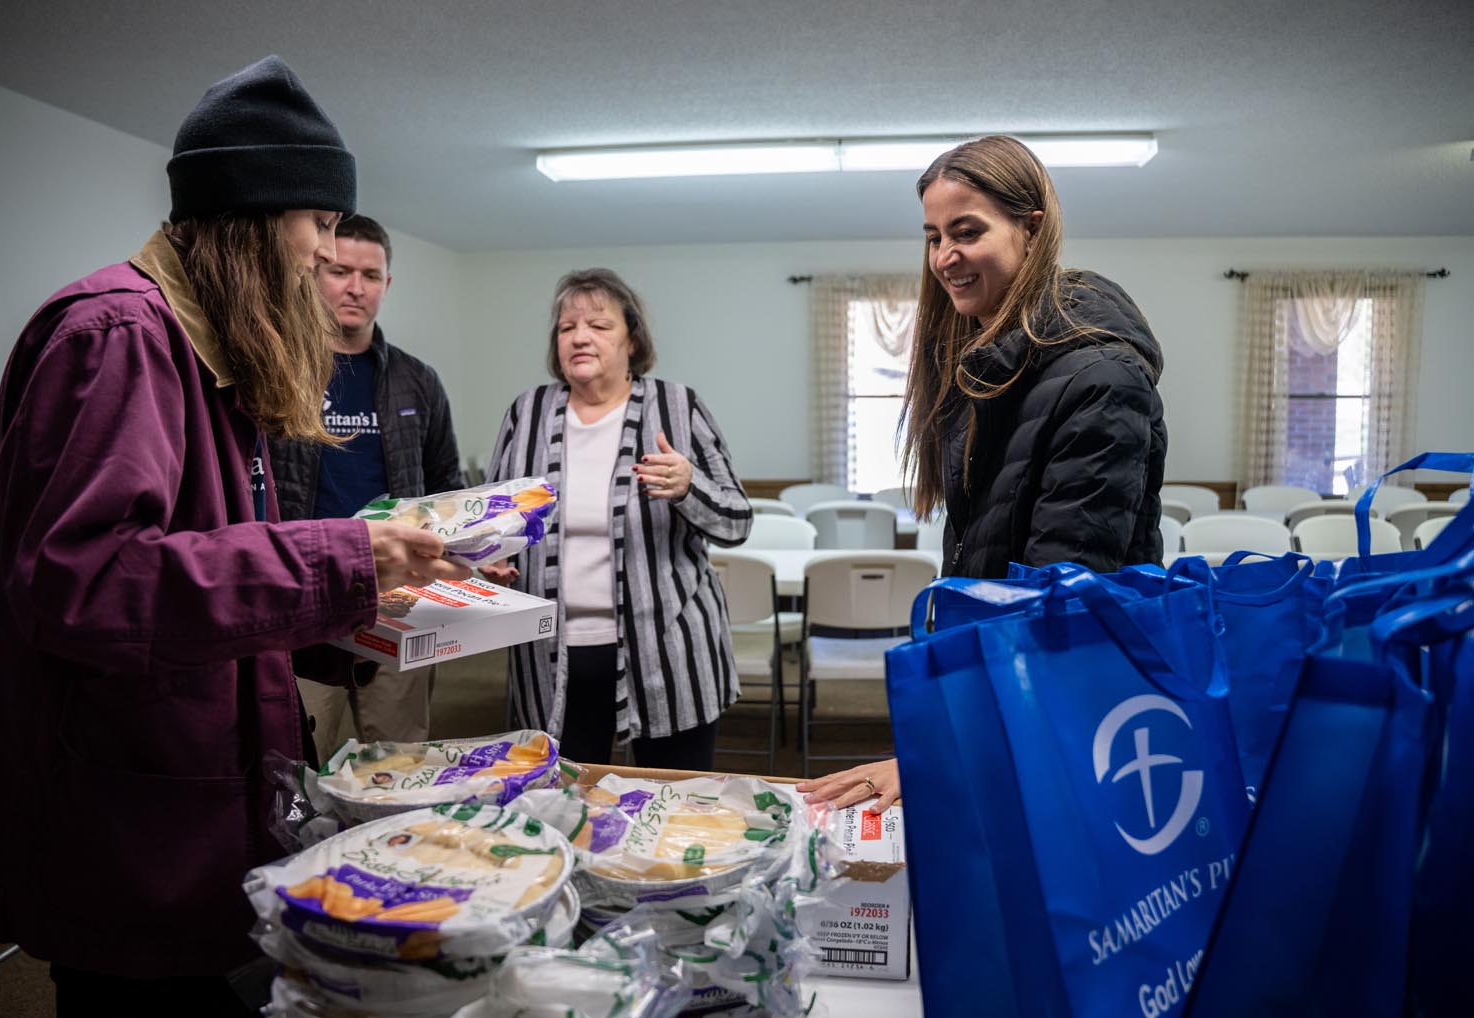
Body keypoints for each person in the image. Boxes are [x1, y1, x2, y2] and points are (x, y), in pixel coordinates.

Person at [0, 56, 466, 1016]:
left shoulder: (205, 351)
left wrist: (363, 601)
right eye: (316, 228)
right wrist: (341, 556)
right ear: (257, 222)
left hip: (200, 794)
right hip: (133, 814)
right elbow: (88, 584)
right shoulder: (119, 336)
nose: (324, 257)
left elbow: (207, 577)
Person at [799, 135, 1166, 812]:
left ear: (1031, 228)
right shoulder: (991, 360)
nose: (943, 257)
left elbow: (1060, 606)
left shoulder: (1098, 378)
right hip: (1002, 696)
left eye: (966, 232)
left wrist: (942, 745)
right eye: (934, 236)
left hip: (1057, 706)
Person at [482, 269, 751, 770]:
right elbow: (494, 522)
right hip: (551, 657)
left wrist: (687, 487)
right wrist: (490, 559)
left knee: (673, 800)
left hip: (667, 655)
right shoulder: (528, 412)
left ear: (633, 340)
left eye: (599, 325)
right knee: (564, 800)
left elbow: (736, 522)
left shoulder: (678, 406)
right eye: (567, 328)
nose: (580, 336)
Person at [272, 213, 464, 757]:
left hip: (397, 603)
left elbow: (445, 486)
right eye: (339, 270)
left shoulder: (415, 379)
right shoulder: (278, 369)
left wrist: (472, 545)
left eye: (371, 275)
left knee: (401, 762)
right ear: (314, 272)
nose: (356, 288)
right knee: (296, 765)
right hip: (305, 606)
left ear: (386, 284)